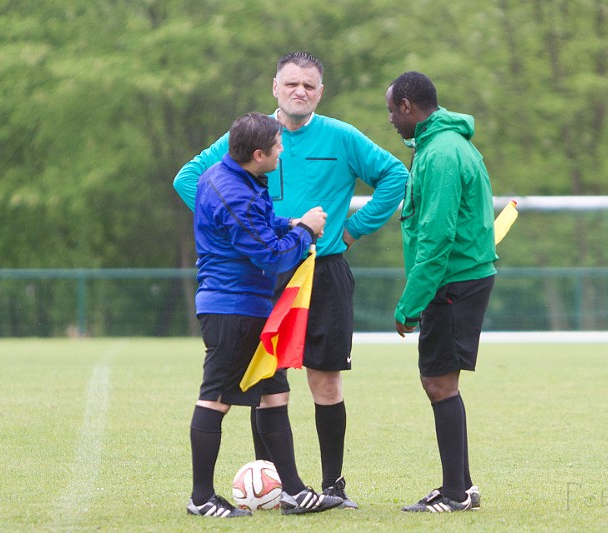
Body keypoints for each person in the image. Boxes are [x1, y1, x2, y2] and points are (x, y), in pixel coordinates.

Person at [174, 51, 409, 508]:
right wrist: (242, 231)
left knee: (324, 380)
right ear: (275, 87)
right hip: (265, 270)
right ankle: (277, 487)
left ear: (320, 92)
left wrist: (353, 229)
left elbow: (395, 175)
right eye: (291, 83)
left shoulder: (341, 136)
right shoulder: (250, 135)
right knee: (266, 381)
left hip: (323, 269)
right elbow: (189, 179)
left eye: (309, 85)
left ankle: (332, 487)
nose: (299, 91)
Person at [186, 112, 344, 518]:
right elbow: (273, 256)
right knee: (215, 398)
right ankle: (201, 498)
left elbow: (260, 222)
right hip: (231, 310)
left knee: (275, 394)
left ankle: (292, 492)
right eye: (277, 147)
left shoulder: (237, 176)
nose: (282, 151)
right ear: (258, 154)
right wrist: (305, 230)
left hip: (253, 309)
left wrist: (287, 221)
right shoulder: (231, 191)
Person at [385, 72, 497, 513]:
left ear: (409, 106)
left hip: (453, 282)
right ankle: (460, 486)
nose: (391, 119)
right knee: (440, 381)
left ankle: (456, 493)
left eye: (393, 110)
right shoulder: (440, 146)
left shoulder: (444, 153)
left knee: (438, 382)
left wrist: (409, 305)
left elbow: (436, 237)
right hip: (455, 279)